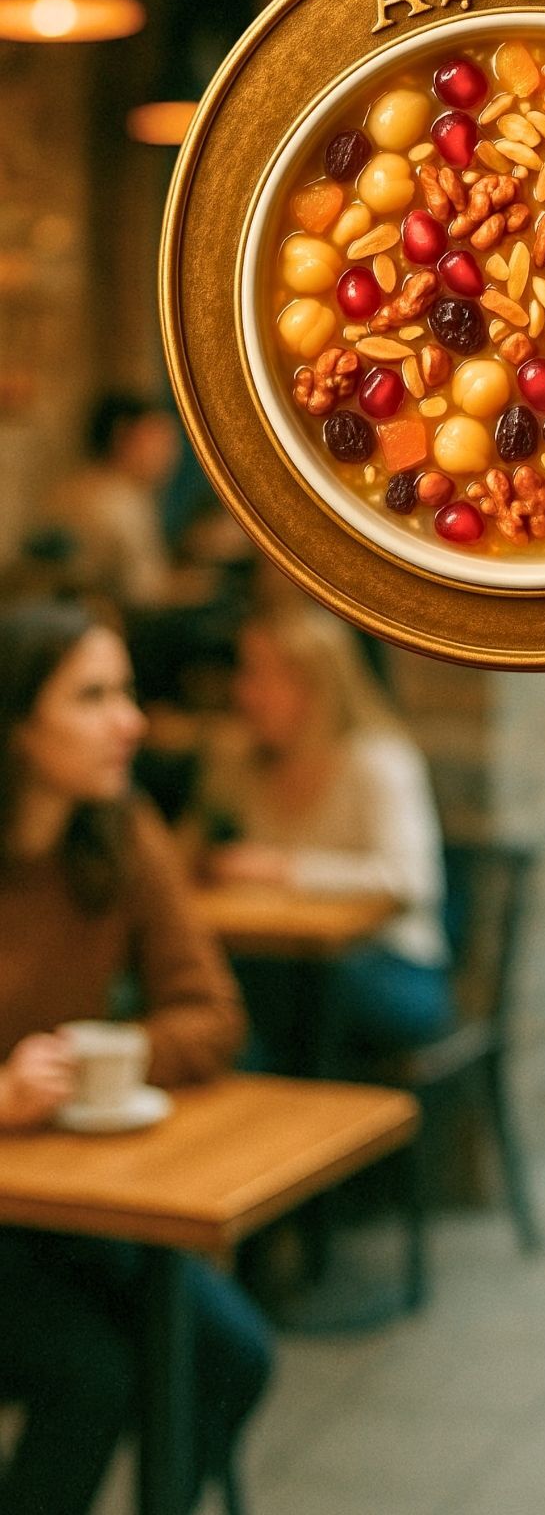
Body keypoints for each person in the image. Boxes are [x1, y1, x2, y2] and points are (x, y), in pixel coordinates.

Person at [0, 598, 273, 1515]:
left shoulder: (122, 829)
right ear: (17, 724)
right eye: (94, 696)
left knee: (231, 1355)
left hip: (69, 1204)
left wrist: (111, 1057)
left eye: (126, 690)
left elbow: (210, 1013)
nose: (134, 720)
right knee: (93, 1375)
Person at [196, 604, 451, 1071]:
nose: (244, 694)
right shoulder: (249, 766)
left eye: (260, 677)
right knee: (220, 989)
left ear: (313, 688)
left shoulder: (377, 762)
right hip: (284, 961)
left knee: (303, 993)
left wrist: (284, 869)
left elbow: (410, 881)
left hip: (393, 967)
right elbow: (202, 853)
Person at [40, 392, 183, 610]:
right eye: (160, 440)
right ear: (123, 438)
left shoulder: (75, 485)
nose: (170, 454)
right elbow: (144, 593)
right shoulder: (119, 502)